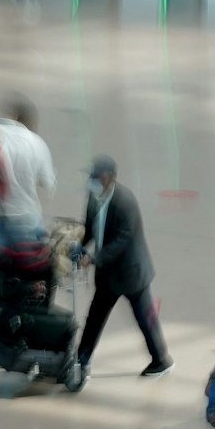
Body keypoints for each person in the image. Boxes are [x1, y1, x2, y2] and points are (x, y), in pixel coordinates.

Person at [76, 156, 172, 379]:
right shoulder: (94, 196)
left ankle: (161, 360)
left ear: (109, 177)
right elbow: (89, 227)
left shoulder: (124, 202)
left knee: (145, 319)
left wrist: (93, 258)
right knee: (94, 318)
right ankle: (81, 360)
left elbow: (123, 239)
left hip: (131, 274)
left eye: (96, 176)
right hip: (107, 275)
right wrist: (78, 246)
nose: (92, 180)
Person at [0, 97, 57, 248]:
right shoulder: (37, 143)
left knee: (2, 259)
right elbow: (48, 185)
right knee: (29, 259)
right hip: (27, 216)